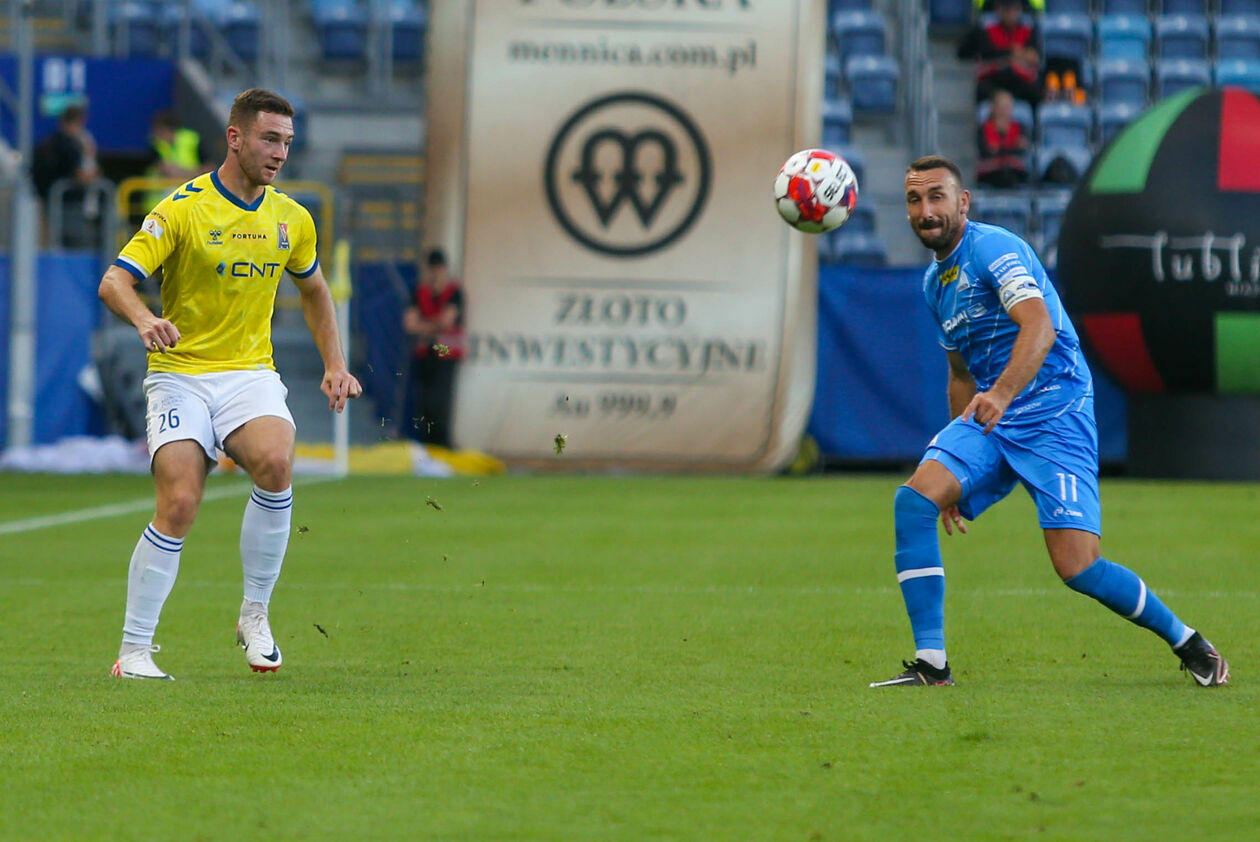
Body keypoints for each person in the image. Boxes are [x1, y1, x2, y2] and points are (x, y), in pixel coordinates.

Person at [871, 155, 1229, 688]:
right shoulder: (934, 284)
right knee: (915, 499)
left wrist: (1003, 393)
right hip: (993, 416)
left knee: (1078, 567)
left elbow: (1038, 325)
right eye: (915, 199)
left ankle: (1188, 642)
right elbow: (959, 374)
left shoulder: (994, 248)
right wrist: (954, 461)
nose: (926, 210)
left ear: (962, 202)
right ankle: (932, 666)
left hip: (1055, 412)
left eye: (937, 196)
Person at [99, 88, 362, 680]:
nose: (280, 154)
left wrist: (334, 364)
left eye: (288, 143)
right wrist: (144, 318)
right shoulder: (181, 209)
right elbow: (115, 281)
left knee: (275, 462)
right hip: (181, 375)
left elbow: (315, 290)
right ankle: (135, 651)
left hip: (248, 373)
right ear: (235, 137)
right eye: (270, 139)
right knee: (182, 501)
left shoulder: (292, 218)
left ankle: (255, 613)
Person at [402, 248, 464, 449]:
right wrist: (434, 326)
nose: (436, 273)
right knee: (424, 403)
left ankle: (442, 445)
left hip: (446, 354)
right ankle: (428, 446)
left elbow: (447, 321)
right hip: (425, 353)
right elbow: (410, 324)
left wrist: (424, 326)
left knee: (441, 402)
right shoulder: (420, 292)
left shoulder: (454, 292)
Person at [31, 103, 102, 247]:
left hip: (47, 204)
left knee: (54, 244)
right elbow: (81, 175)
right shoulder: (71, 144)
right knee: (76, 246)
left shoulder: (49, 142)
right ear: (81, 120)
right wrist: (95, 174)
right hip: (71, 207)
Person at [956, 0, 1042, 108]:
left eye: (1015, 9)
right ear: (998, 9)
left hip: (1019, 79)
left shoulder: (1029, 28)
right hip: (993, 78)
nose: (1010, 13)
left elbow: (1034, 56)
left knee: (1035, 91)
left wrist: (1013, 56)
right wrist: (1012, 54)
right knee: (982, 90)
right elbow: (983, 54)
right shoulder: (985, 28)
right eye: (1006, 9)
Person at [141, 110, 210, 212]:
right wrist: (196, 173)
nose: (155, 133)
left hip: (190, 203)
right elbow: (168, 171)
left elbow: (209, 169)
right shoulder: (155, 146)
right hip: (160, 205)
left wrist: (178, 172)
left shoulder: (192, 140)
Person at [976, 90, 1029, 189]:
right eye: (1001, 106)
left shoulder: (1020, 128)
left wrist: (999, 150)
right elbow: (985, 152)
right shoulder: (984, 129)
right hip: (991, 173)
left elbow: (1021, 151)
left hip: (1014, 172)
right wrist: (1011, 148)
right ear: (993, 107)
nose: (1004, 110)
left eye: (1007, 106)